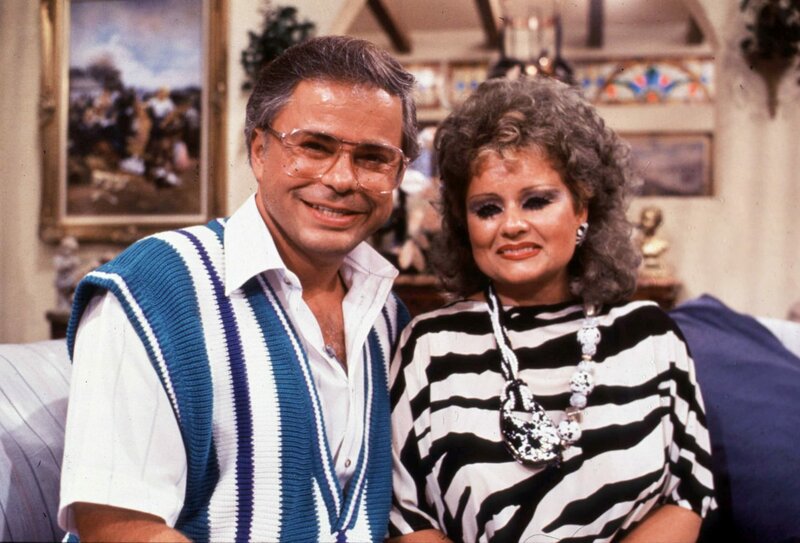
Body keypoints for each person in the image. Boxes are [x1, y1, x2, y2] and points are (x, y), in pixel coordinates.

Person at [58, 36, 419, 542]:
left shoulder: (389, 316)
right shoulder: (155, 286)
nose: (342, 178)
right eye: (314, 147)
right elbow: (117, 524)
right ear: (259, 150)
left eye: (373, 158)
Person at [388, 76, 716, 543]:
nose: (512, 225)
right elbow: (406, 517)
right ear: (465, 223)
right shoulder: (428, 345)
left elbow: (686, 496)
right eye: (488, 208)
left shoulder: (652, 336)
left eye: (537, 201)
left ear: (583, 207)